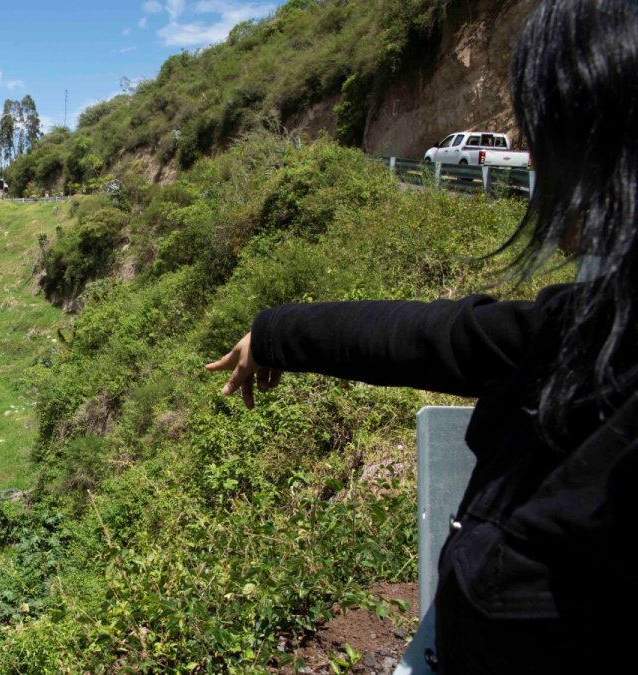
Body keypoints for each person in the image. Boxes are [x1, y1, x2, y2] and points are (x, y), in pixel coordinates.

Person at [206, 0, 637, 672]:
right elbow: (427, 336)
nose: (540, 179)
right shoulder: (583, 334)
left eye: (556, 135)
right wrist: (275, 332)